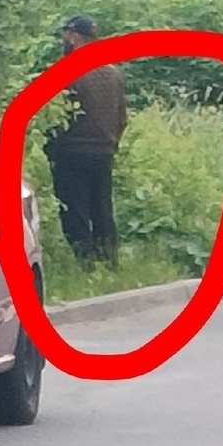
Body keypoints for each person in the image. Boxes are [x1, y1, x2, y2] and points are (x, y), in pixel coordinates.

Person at [43, 14, 128, 269]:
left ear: (74, 35)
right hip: (104, 151)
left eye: (66, 34)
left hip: (72, 150)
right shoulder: (113, 73)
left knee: (74, 208)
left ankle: (86, 262)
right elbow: (122, 116)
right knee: (102, 206)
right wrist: (112, 143)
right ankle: (110, 259)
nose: (64, 39)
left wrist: (52, 148)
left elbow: (58, 115)